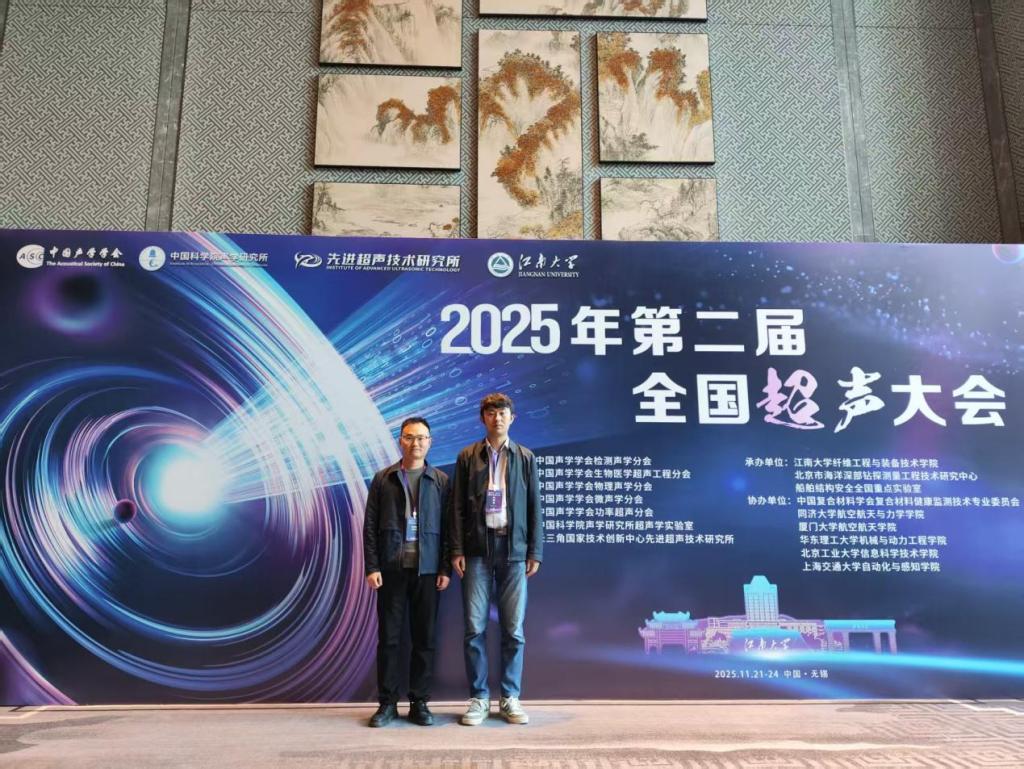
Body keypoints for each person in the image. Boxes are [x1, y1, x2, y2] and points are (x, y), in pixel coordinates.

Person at [450, 393, 543, 726]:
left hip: (514, 551)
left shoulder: (525, 457)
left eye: (503, 413)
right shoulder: (467, 456)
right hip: (477, 550)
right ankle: (478, 698)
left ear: (512, 418)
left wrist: (535, 551)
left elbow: (534, 506)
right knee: (474, 628)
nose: (497, 418)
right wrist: (457, 549)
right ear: (483, 418)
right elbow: (457, 507)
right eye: (491, 413)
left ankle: (509, 697)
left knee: (513, 629)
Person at [363, 417, 450, 727]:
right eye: (410, 437)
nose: (416, 443)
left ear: (430, 442)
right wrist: (372, 566)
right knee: (389, 639)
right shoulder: (383, 478)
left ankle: (419, 702)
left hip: (428, 571)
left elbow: (449, 528)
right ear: (400, 440)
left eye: (422, 438)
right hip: (391, 570)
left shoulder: (440, 480)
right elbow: (370, 526)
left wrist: (444, 567)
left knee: (424, 639)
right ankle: (387, 703)